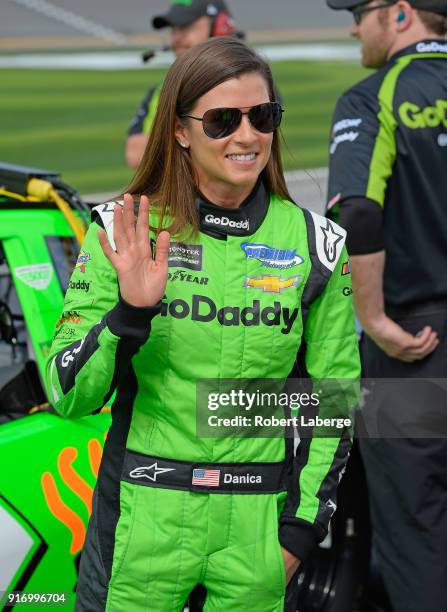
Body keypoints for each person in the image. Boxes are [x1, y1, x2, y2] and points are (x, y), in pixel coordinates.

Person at [47, 38, 360, 611]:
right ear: (180, 130)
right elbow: (68, 392)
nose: (247, 137)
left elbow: (333, 397)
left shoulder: (319, 246)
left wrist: (299, 531)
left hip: (256, 528)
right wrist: (129, 314)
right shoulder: (123, 227)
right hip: (142, 521)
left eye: (262, 116)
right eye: (222, 120)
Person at [325, 1, 447, 610]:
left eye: (360, 11)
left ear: (400, 13)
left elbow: (359, 212)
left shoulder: (373, 97)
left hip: (415, 346)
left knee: (416, 530)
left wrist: (372, 319)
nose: (353, 26)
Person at [126, 0, 238, 169]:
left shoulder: (250, 84)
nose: (176, 38)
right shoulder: (162, 90)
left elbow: (234, 148)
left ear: (220, 28)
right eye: (174, 29)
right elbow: (136, 155)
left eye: (185, 27)